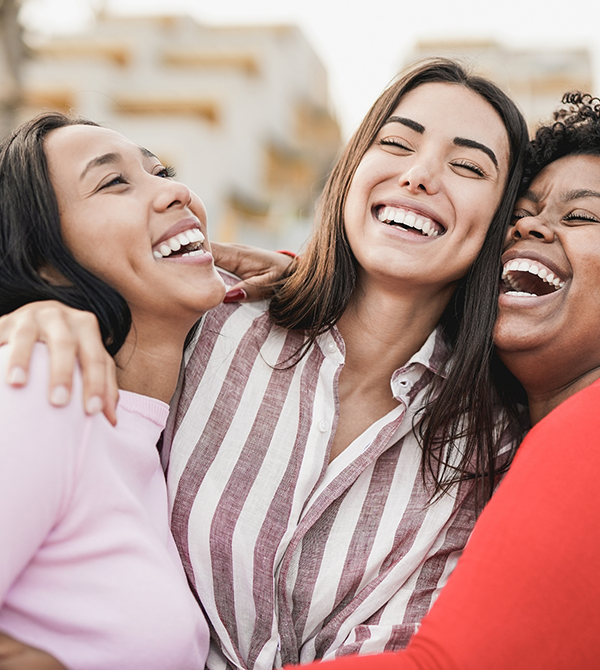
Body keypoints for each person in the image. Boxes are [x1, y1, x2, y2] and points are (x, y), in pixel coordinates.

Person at [0, 58, 528, 669]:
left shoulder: (492, 445)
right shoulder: (202, 328)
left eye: (467, 167)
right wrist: (32, 315)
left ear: (502, 222)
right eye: (395, 144)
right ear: (351, 169)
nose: (419, 176)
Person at [281, 92, 600, 669]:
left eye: (580, 216)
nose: (532, 227)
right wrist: (299, 279)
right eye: (520, 213)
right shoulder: (550, 423)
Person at [0, 112, 226, 669]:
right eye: (113, 182)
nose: (175, 191)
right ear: (46, 265)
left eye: (161, 170)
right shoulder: (42, 384)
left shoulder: (147, 432)